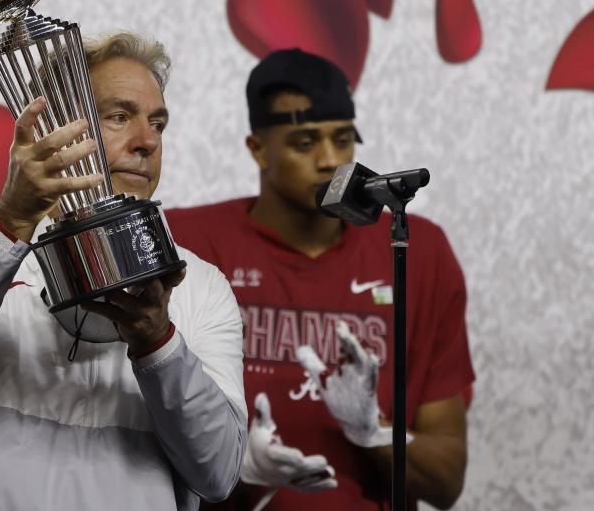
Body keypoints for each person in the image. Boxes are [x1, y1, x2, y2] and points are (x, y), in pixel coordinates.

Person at [0, 32, 247, 511]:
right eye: (119, 117)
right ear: (55, 129)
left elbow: (220, 473)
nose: (147, 142)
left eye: (158, 124)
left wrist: (157, 341)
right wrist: (10, 222)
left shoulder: (200, 286)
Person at [165, 48, 475, 510]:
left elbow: (447, 480)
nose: (331, 160)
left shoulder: (417, 250)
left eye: (344, 139)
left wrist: (373, 430)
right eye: (305, 143)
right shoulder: (189, 239)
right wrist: (239, 466)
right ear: (257, 148)